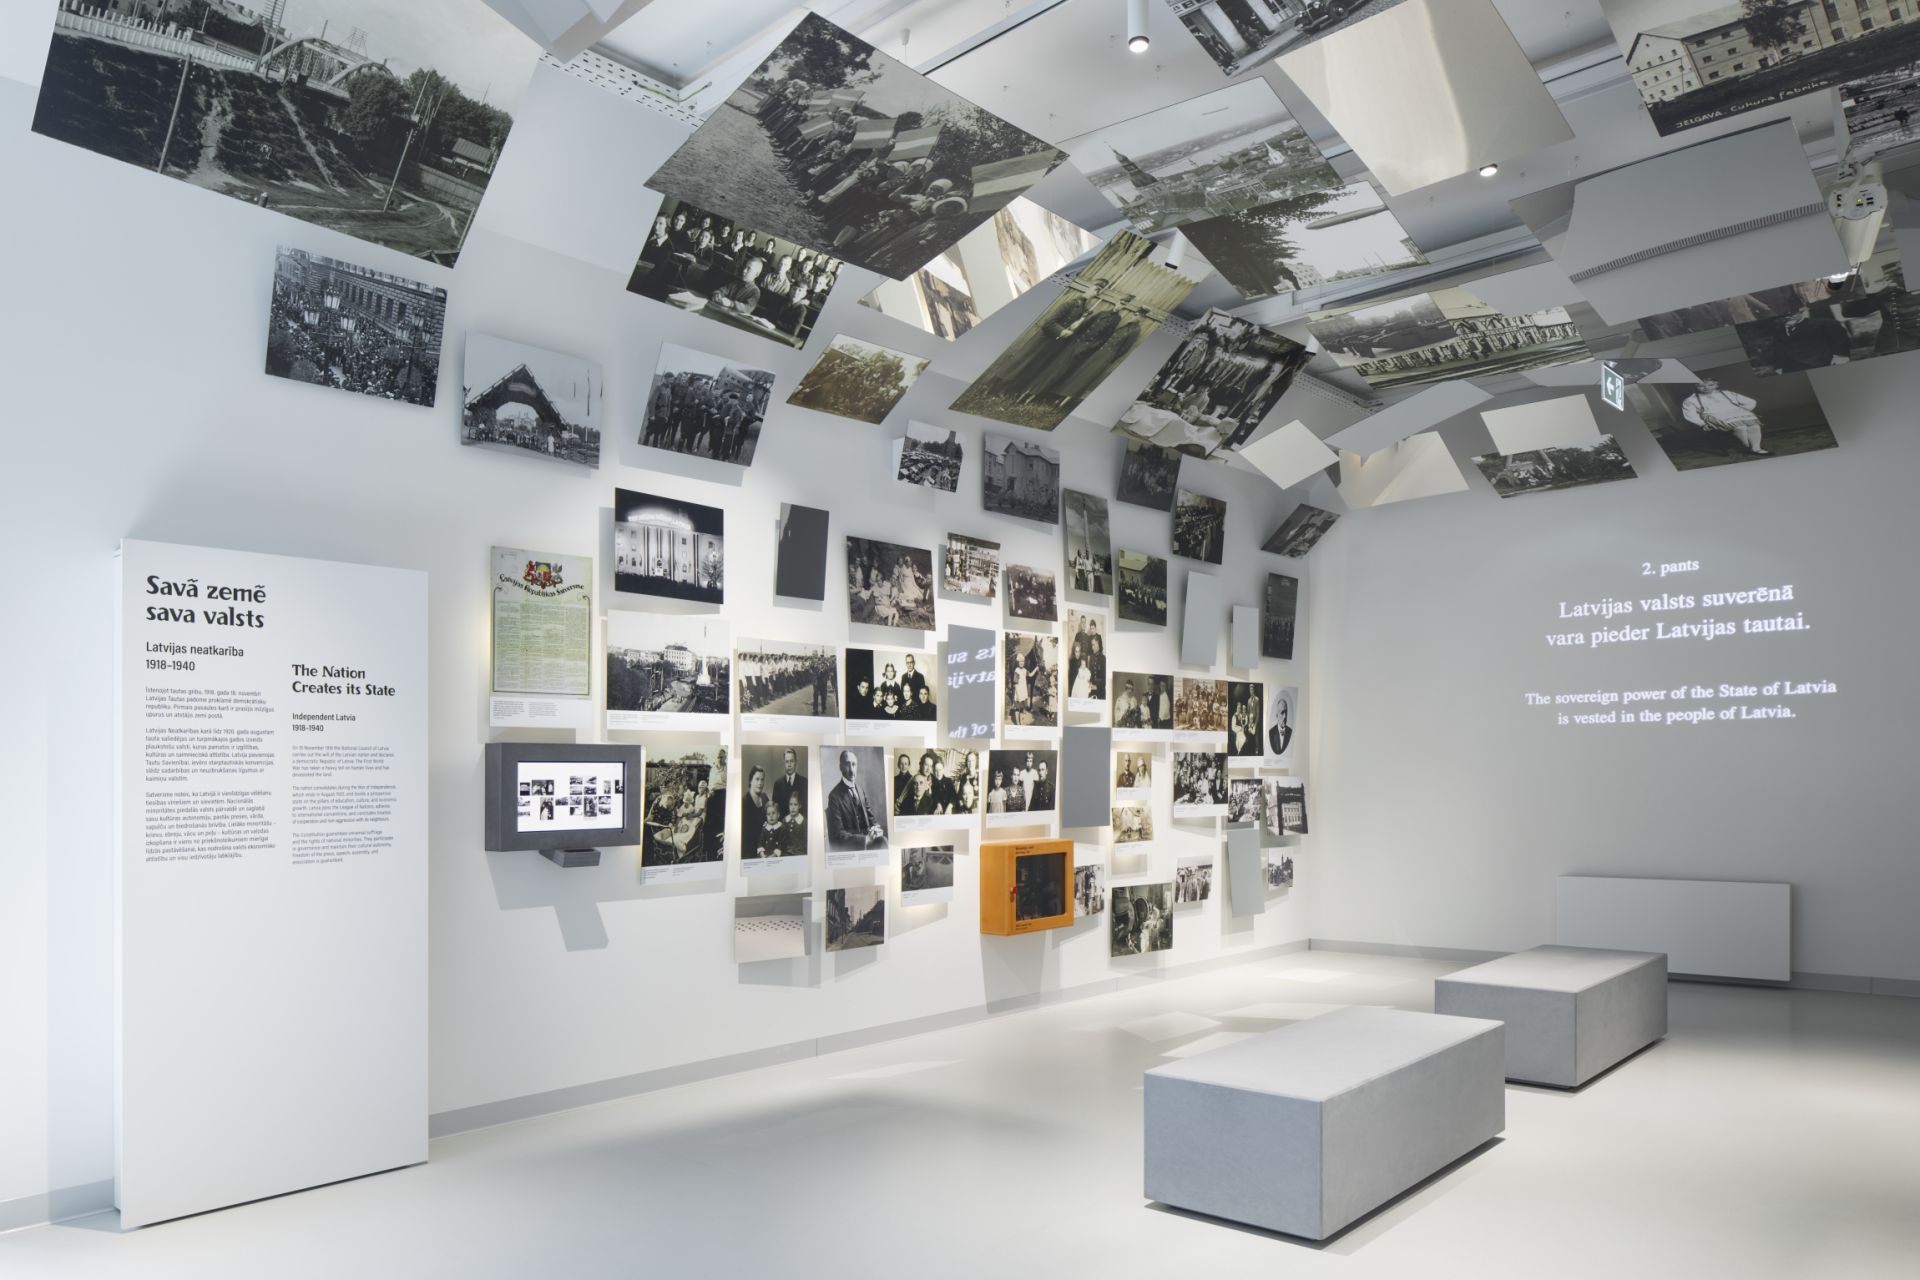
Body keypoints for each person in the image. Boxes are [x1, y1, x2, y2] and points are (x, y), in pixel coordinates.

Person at [1679, 377, 1768, 456]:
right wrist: (1702, 424)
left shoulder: (1727, 393)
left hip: (1736, 414)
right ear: (1696, 386)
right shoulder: (1691, 400)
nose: (1706, 388)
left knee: (1755, 426)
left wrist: (1742, 410)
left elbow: (1750, 401)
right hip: (1714, 417)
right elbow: (1690, 415)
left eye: (1710, 385)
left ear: (1716, 385)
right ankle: (1749, 447)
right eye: (1701, 386)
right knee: (1740, 427)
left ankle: (1756, 448)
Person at [826, 749, 886, 851]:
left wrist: (876, 829)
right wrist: (865, 840)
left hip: (869, 841)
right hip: (852, 847)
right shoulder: (834, 796)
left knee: (883, 841)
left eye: (854, 764)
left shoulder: (860, 790)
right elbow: (838, 833)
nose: (851, 770)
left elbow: (871, 818)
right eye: (847, 764)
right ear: (840, 767)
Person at [741, 765, 772, 858]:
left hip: (765, 849)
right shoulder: (744, 802)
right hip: (749, 852)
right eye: (757, 779)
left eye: (762, 780)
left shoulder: (765, 798)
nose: (760, 783)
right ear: (750, 780)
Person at [773, 748, 806, 819]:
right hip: (782, 824)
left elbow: (806, 809)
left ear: (796, 762)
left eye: (792, 761)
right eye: (787, 761)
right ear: (784, 763)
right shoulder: (777, 784)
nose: (789, 765)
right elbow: (775, 810)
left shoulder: (804, 782)